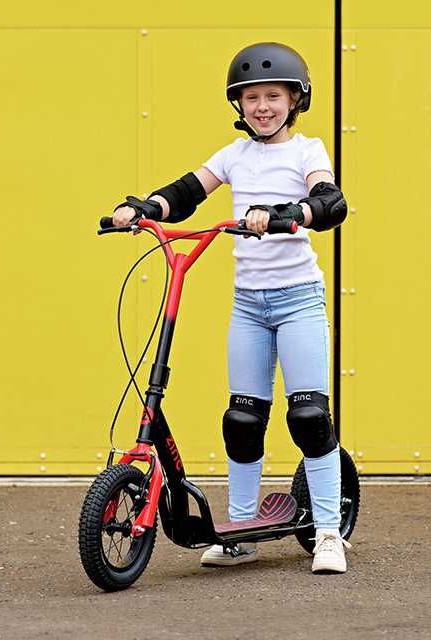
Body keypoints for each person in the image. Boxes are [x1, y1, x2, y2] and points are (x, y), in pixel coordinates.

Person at [110, 42, 350, 574]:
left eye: (273, 96)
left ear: (295, 99)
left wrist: (289, 213)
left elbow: (330, 202)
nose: (262, 106)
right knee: (242, 419)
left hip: (298, 302)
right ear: (238, 104)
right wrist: (143, 208)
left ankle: (329, 530)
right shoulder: (235, 156)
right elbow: (189, 190)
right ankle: (239, 529)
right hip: (249, 306)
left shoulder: (307, 151)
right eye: (251, 98)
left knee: (308, 416)